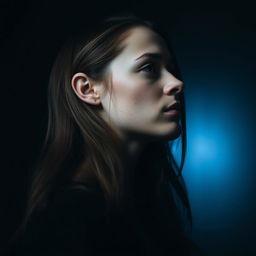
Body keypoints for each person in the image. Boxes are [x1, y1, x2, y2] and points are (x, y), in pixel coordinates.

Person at [5, 13, 207, 256]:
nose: (176, 83)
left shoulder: (143, 208)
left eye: (171, 69)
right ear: (88, 90)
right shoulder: (68, 224)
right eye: (149, 68)